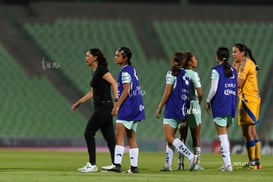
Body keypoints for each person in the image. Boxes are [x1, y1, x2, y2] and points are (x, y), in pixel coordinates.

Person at [71, 48, 118, 173]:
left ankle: (92, 164)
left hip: (104, 106)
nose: (85, 58)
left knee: (88, 133)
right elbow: (93, 92)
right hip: (103, 106)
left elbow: (114, 83)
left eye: (88, 56)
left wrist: (116, 102)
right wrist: (79, 102)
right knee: (109, 137)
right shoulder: (95, 71)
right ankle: (116, 165)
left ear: (95, 57)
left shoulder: (101, 70)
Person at [101, 47, 145, 173]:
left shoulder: (124, 72)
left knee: (119, 135)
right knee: (131, 137)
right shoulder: (132, 70)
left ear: (125, 58)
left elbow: (127, 89)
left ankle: (117, 165)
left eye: (118, 55)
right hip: (137, 106)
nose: (115, 57)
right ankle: (134, 167)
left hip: (128, 106)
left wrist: (117, 105)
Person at [156, 51, 198, 172]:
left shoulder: (171, 73)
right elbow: (189, 95)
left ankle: (191, 157)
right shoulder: (186, 75)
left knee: (169, 137)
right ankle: (168, 165)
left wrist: (159, 107)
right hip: (182, 109)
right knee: (171, 137)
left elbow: (168, 92)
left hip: (172, 108)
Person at [205, 47, 238, 172]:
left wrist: (207, 101)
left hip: (220, 104)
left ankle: (228, 165)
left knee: (222, 136)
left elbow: (213, 89)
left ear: (217, 57)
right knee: (225, 135)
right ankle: (227, 164)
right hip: (231, 105)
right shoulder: (234, 71)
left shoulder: (216, 70)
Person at [232, 43, 262, 170]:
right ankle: (258, 162)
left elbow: (238, 83)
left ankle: (252, 162)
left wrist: (231, 75)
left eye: (235, 52)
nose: (233, 54)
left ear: (242, 53)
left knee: (247, 133)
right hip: (254, 99)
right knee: (253, 132)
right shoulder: (249, 62)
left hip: (247, 100)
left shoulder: (244, 65)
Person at [177, 52, 204, 170]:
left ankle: (180, 164)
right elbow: (200, 93)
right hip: (193, 105)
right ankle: (196, 164)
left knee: (182, 136)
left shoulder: (179, 73)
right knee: (196, 136)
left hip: (181, 106)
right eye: (195, 59)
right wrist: (198, 103)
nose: (196, 61)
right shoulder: (193, 74)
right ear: (189, 62)